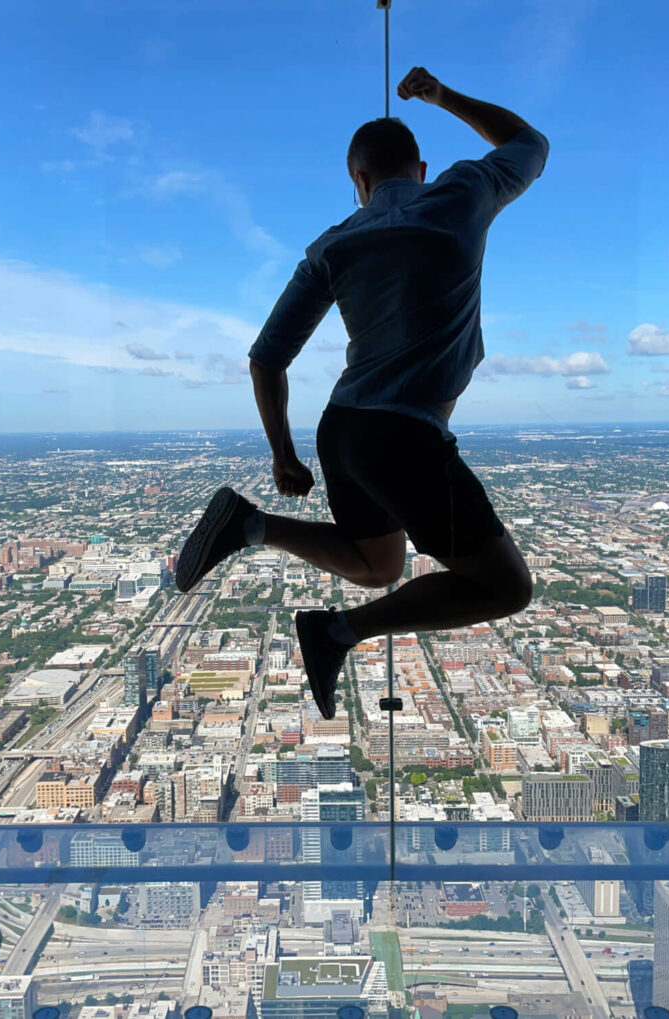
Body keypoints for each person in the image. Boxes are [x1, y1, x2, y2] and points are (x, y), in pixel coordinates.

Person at [176, 67, 549, 720]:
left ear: (359, 182)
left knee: (378, 564)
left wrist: (283, 455)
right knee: (506, 586)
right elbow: (530, 143)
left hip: (343, 430)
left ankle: (249, 523)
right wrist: (442, 96)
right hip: (404, 435)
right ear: (423, 169)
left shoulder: (334, 243)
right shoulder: (462, 191)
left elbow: (267, 358)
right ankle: (334, 632)